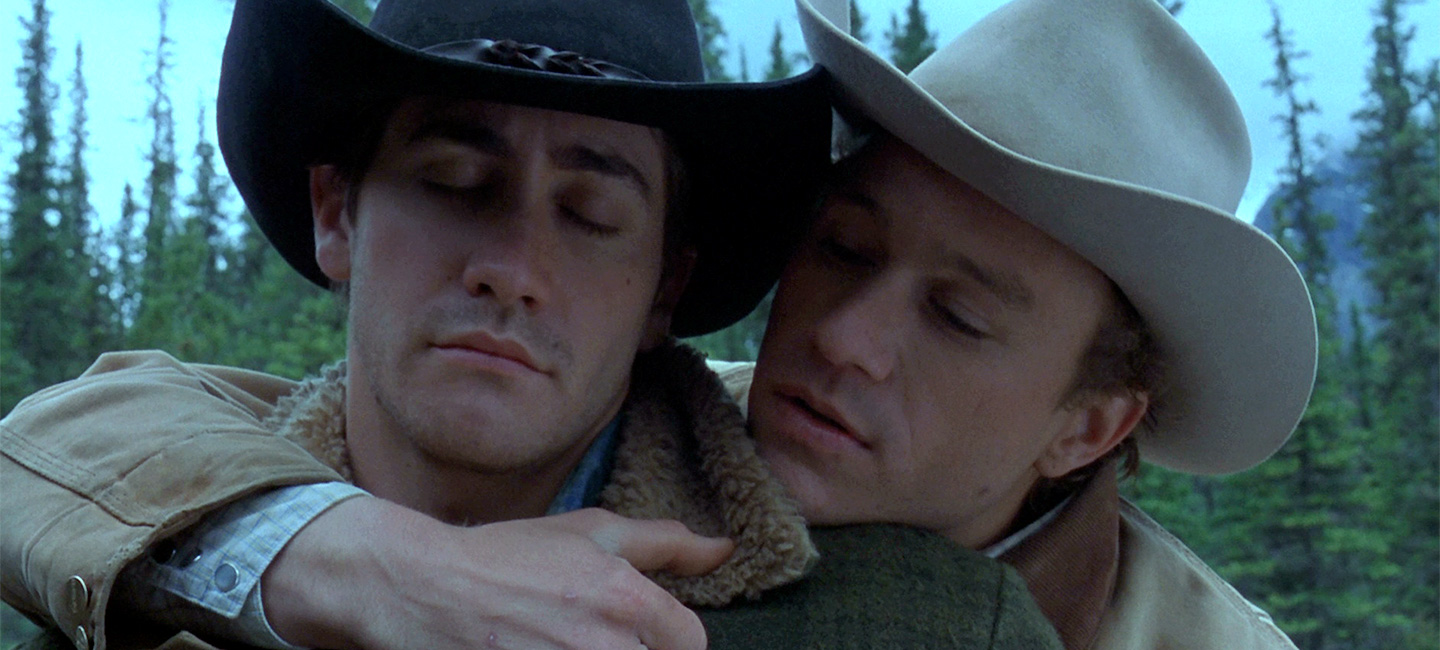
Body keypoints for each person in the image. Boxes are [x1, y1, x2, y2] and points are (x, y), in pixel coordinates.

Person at [3, 0, 1317, 648]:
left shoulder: (963, 617)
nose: (845, 340)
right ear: (337, 214)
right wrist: (348, 558)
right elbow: (79, 439)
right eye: (841, 249)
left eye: (961, 317)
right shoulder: (703, 420)